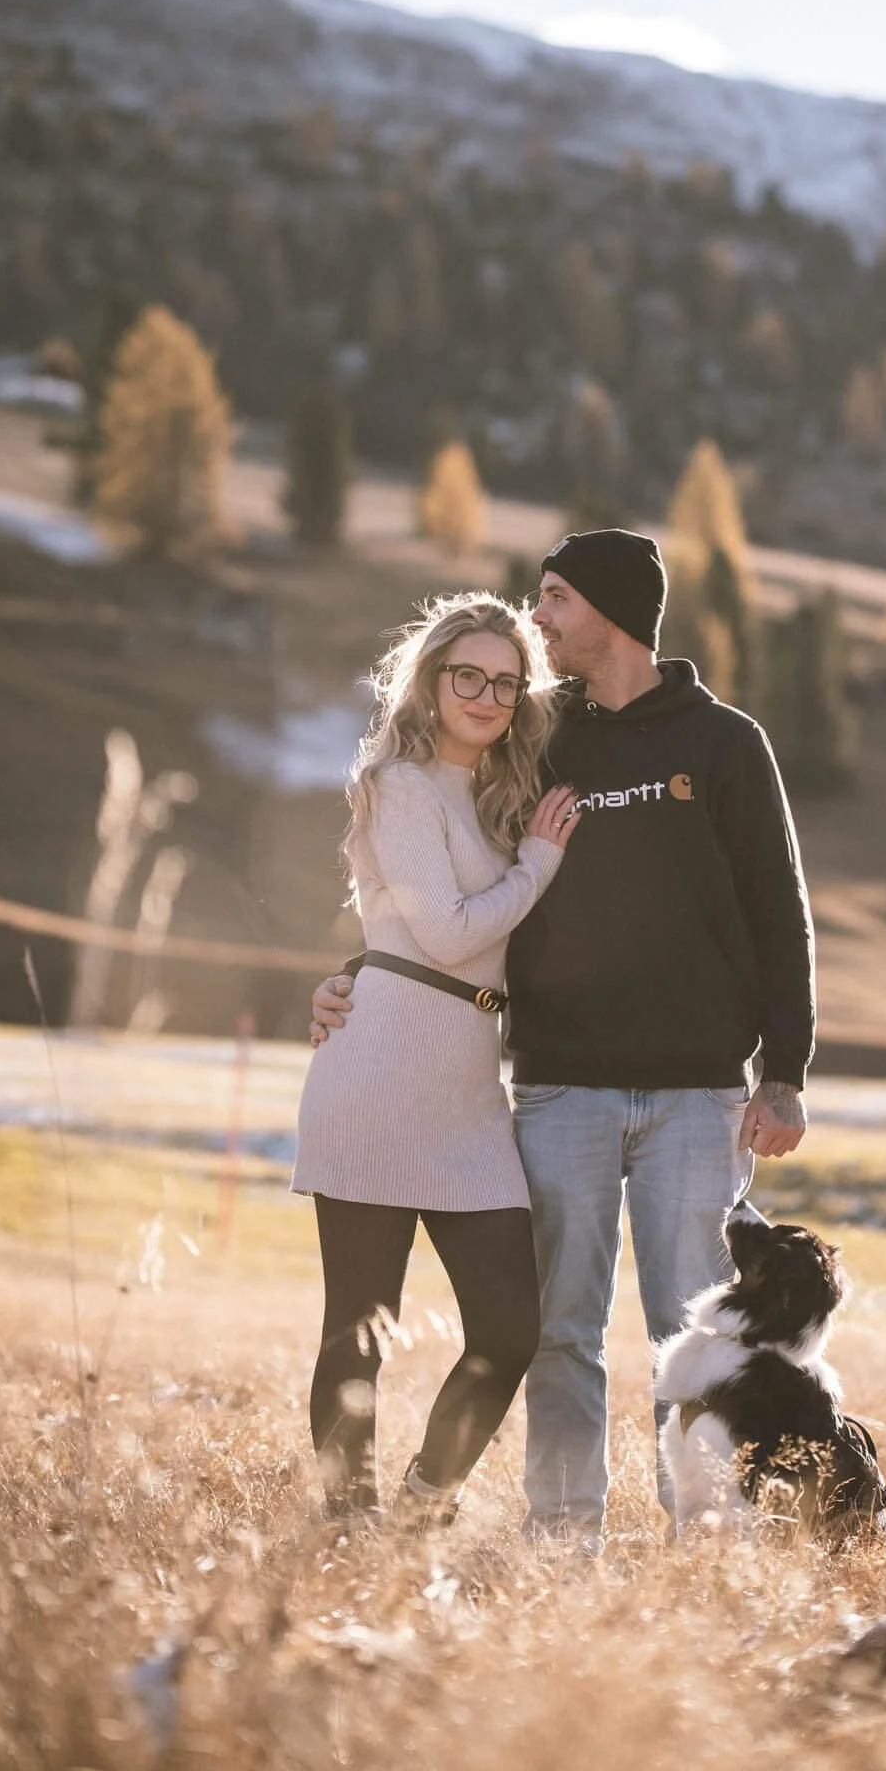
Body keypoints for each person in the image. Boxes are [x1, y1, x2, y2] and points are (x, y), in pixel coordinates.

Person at [313, 528, 814, 1541]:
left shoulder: (722, 743)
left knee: (702, 1336)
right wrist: (355, 970)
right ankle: (560, 1537)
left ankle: (704, 1533)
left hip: (695, 1092)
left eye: (554, 600)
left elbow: (779, 908)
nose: (536, 620)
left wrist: (785, 1068)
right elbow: (425, 863)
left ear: (613, 610)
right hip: (554, 1088)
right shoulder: (538, 734)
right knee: (557, 1336)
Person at [293, 591, 580, 1523]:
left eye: (506, 682)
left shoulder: (501, 797)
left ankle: (425, 1500)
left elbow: (414, 937)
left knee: (508, 1327)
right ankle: (346, 1522)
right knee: (359, 1329)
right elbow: (448, 936)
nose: (487, 695)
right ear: (430, 679)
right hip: (376, 1079)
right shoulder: (399, 784)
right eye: (469, 675)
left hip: (465, 1095)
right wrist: (540, 864)